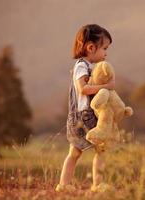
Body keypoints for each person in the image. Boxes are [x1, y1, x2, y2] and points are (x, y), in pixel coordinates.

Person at [55, 24, 115, 192]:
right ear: (91, 47)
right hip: (82, 116)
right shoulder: (81, 66)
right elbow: (83, 89)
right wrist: (106, 86)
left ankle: (80, 184)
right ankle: (72, 185)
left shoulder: (91, 67)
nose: (106, 53)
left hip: (88, 115)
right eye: (104, 48)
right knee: (80, 151)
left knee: (91, 150)